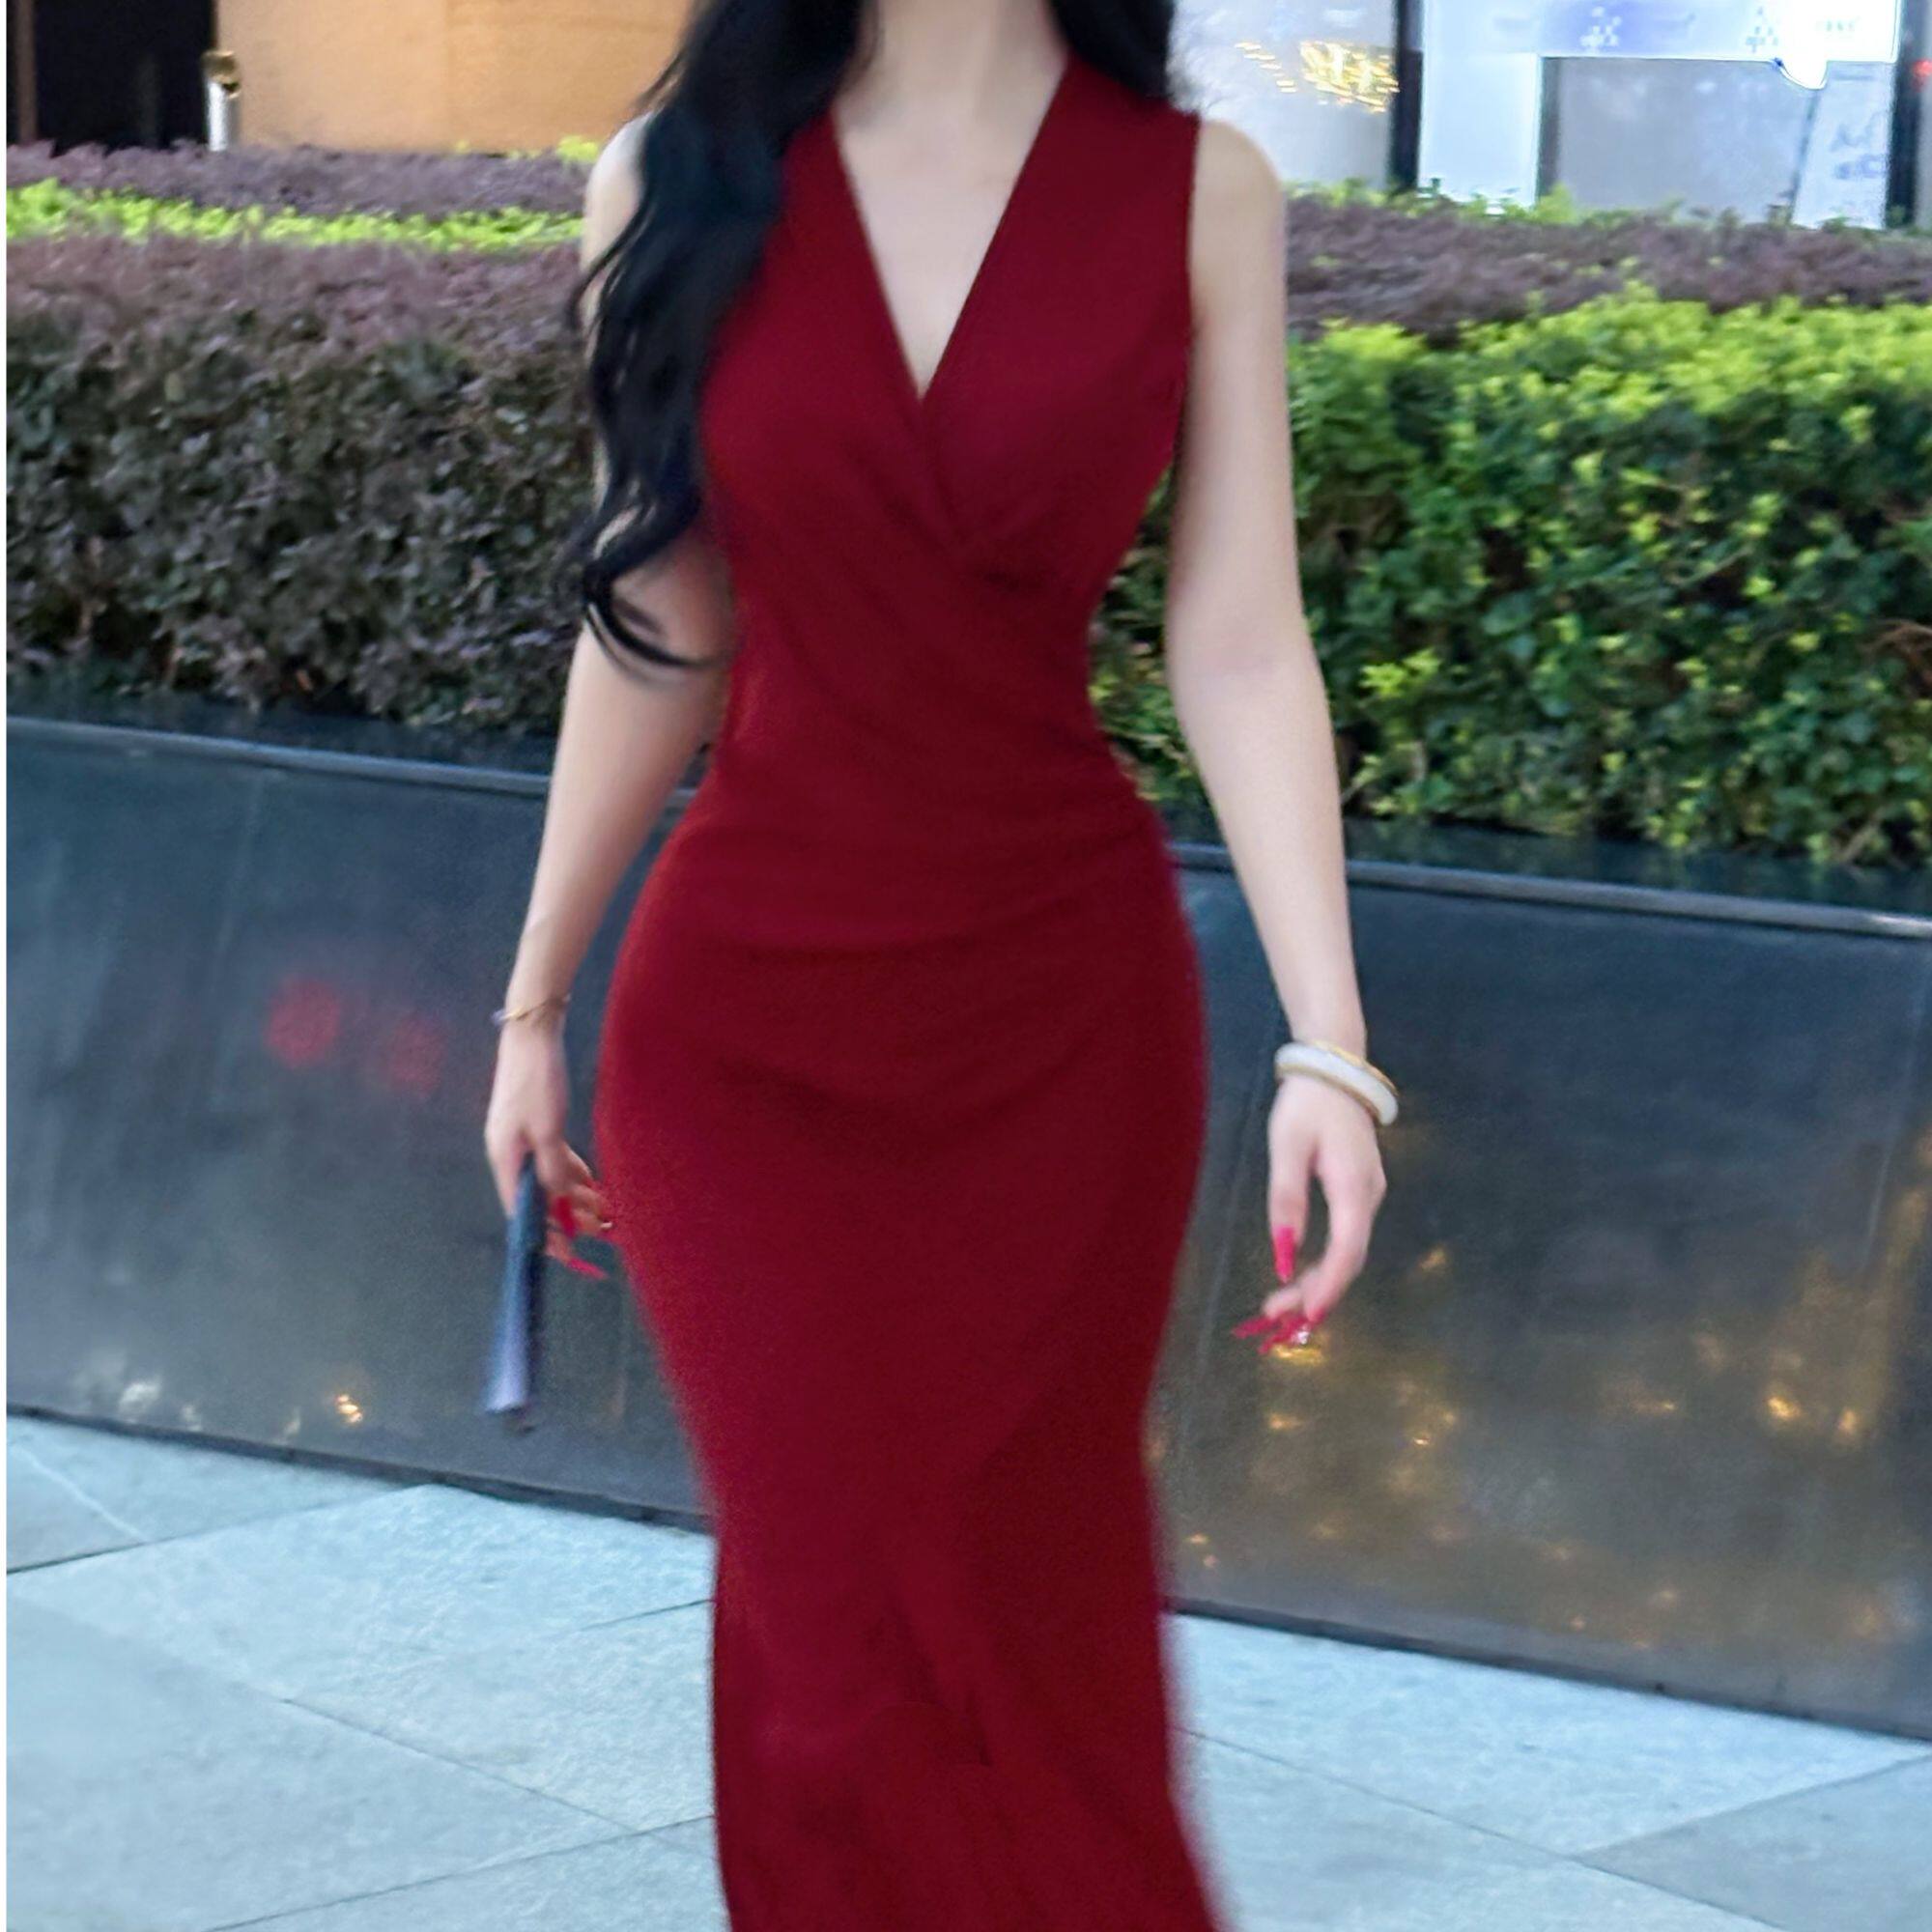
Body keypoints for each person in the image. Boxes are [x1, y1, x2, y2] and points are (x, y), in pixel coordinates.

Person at [484, 1, 1392, 1924]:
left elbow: (1238, 637)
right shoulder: (671, 179)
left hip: (1059, 1027)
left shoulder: (1198, 193)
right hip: (745, 1042)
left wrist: (1332, 1044)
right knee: (826, 1638)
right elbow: (658, 614)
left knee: (1033, 1620)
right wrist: (533, 999)